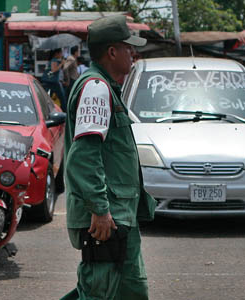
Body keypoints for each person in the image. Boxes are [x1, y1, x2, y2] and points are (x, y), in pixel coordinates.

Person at [60, 15, 154, 300]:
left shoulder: (106, 88)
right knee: (98, 292)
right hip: (106, 220)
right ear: (112, 52)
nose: (133, 53)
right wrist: (100, 209)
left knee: (132, 291)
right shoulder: (97, 89)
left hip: (120, 216)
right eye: (128, 47)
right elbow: (84, 157)